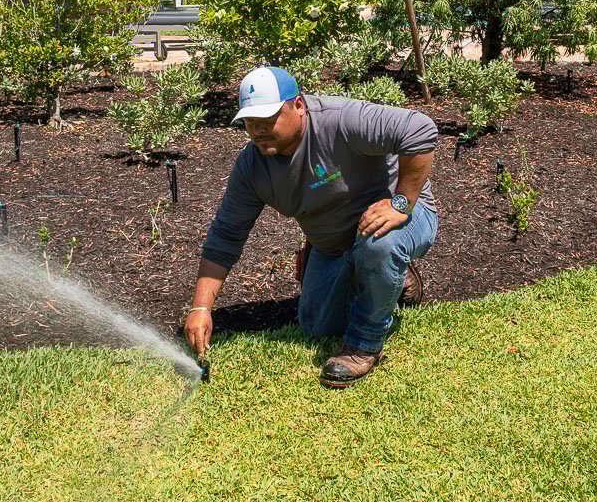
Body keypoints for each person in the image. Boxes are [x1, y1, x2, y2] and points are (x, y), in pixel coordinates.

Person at [183, 65, 439, 388]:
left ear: (299, 105)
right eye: (250, 122)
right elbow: (225, 236)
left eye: (268, 119)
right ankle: (390, 282)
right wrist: (201, 307)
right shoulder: (252, 167)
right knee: (316, 325)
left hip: (399, 219)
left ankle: (364, 345)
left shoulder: (339, 120)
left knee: (380, 245)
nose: (258, 130)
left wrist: (402, 203)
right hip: (334, 244)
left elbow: (420, 130)